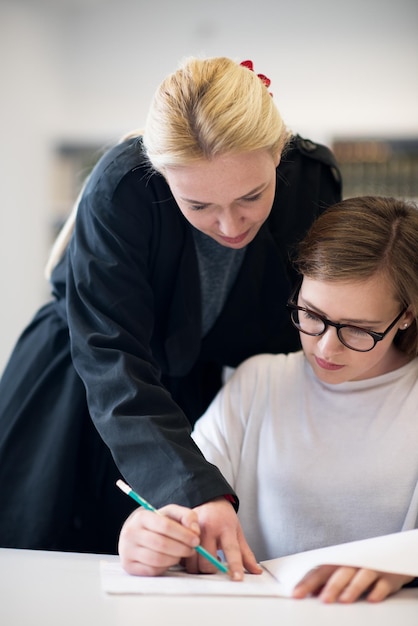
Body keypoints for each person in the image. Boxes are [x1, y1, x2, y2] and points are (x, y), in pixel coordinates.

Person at [0, 56, 341, 569]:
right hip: (84, 382)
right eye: (198, 205)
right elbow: (109, 355)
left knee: (179, 567)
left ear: (278, 154)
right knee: (50, 561)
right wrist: (190, 483)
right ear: (161, 176)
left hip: (194, 390)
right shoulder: (121, 187)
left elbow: (306, 327)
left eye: (251, 195)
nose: (229, 225)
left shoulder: (313, 181)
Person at [118, 196, 418, 603]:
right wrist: (147, 534)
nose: (326, 349)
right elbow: (180, 502)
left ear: (406, 315)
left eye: (358, 330)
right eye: (311, 315)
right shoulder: (259, 382)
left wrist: (402, 562)